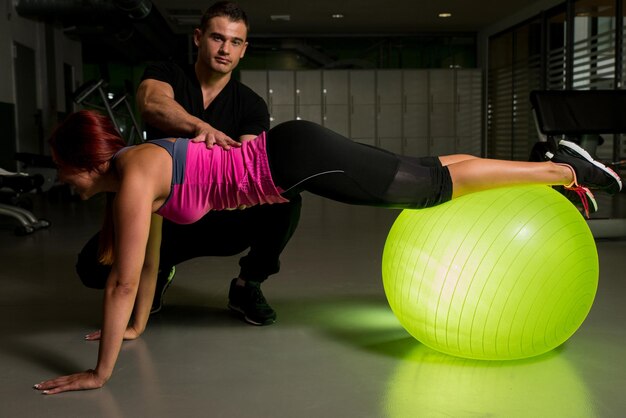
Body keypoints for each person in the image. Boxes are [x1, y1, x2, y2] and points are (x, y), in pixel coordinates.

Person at [35, 110, 621, 394]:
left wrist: (100, 372)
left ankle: (567, 167)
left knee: (430, 189)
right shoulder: (134, 173)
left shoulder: (135, 179)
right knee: (427, 171)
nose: (64, 183)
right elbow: (151, 257)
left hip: (295, 161)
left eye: (64, 173)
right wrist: (136, 330)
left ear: (84, 163)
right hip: (292, 150)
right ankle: (557, 163)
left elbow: (123, 280)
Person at [75, 1, 302, 326]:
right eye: (217, 37)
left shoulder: (250, 104)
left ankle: (247, 284)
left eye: (235, 42)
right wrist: (200, 128)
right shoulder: (167, 73)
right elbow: (153, 103)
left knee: (286, 201)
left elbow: (251, 158)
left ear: (243, 50)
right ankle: (160, 268)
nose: (225, 49)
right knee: (91, 267)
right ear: (198, 37)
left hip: (222, 218)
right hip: (164, 216)